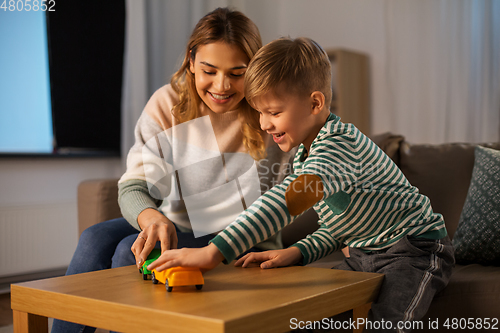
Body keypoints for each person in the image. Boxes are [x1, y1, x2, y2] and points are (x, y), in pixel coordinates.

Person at [148, 37, 455, 332]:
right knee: (309, 319)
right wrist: (298, 251)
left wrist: (213, 253)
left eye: (274, 112)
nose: (264, 124)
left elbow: (284, 202)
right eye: (259, 113)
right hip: (364, 253)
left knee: (386, 324)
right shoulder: (305, 156)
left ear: (315, 104)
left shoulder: (338, 148)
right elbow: (340, 226)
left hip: (414, 250)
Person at [51, 8, 294, 333]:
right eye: (209, 70)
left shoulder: (266, 109)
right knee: (94, 238)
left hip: (240, 234)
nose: (222, 86)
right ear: (191, 61)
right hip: (181, 220)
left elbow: (300, 182)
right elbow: (134, 185)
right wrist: (153, 217)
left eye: (237, 73)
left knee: (129, 250)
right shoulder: (167, 103)